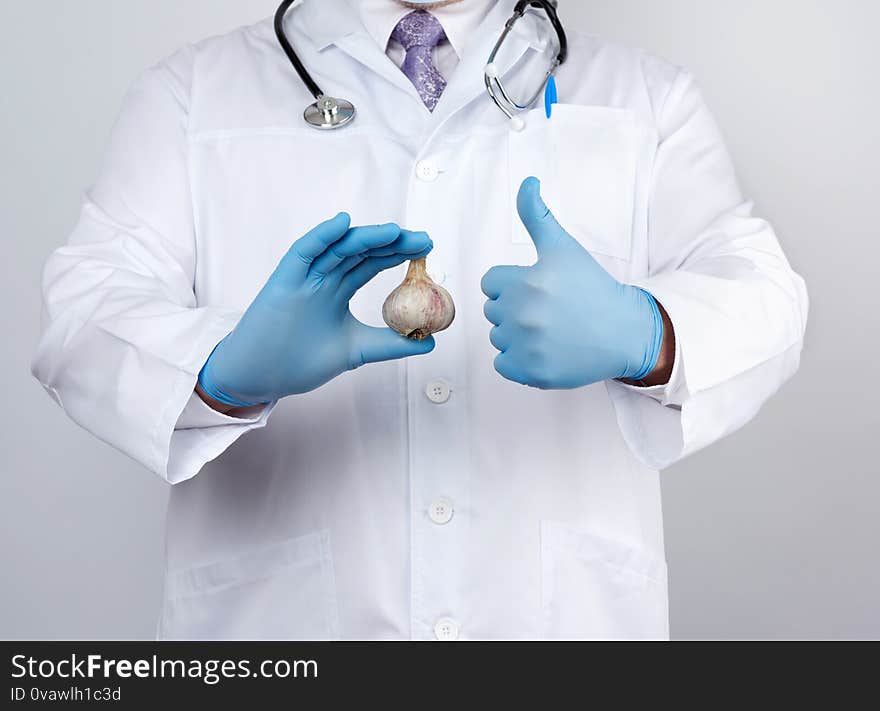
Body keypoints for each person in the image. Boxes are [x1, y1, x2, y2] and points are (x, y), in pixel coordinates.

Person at [31, 0, 808, 640]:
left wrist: (651, 334)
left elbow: (765, 294)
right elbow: (83, 310)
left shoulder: (644, 100)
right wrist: (219, 371)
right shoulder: (193, 96)